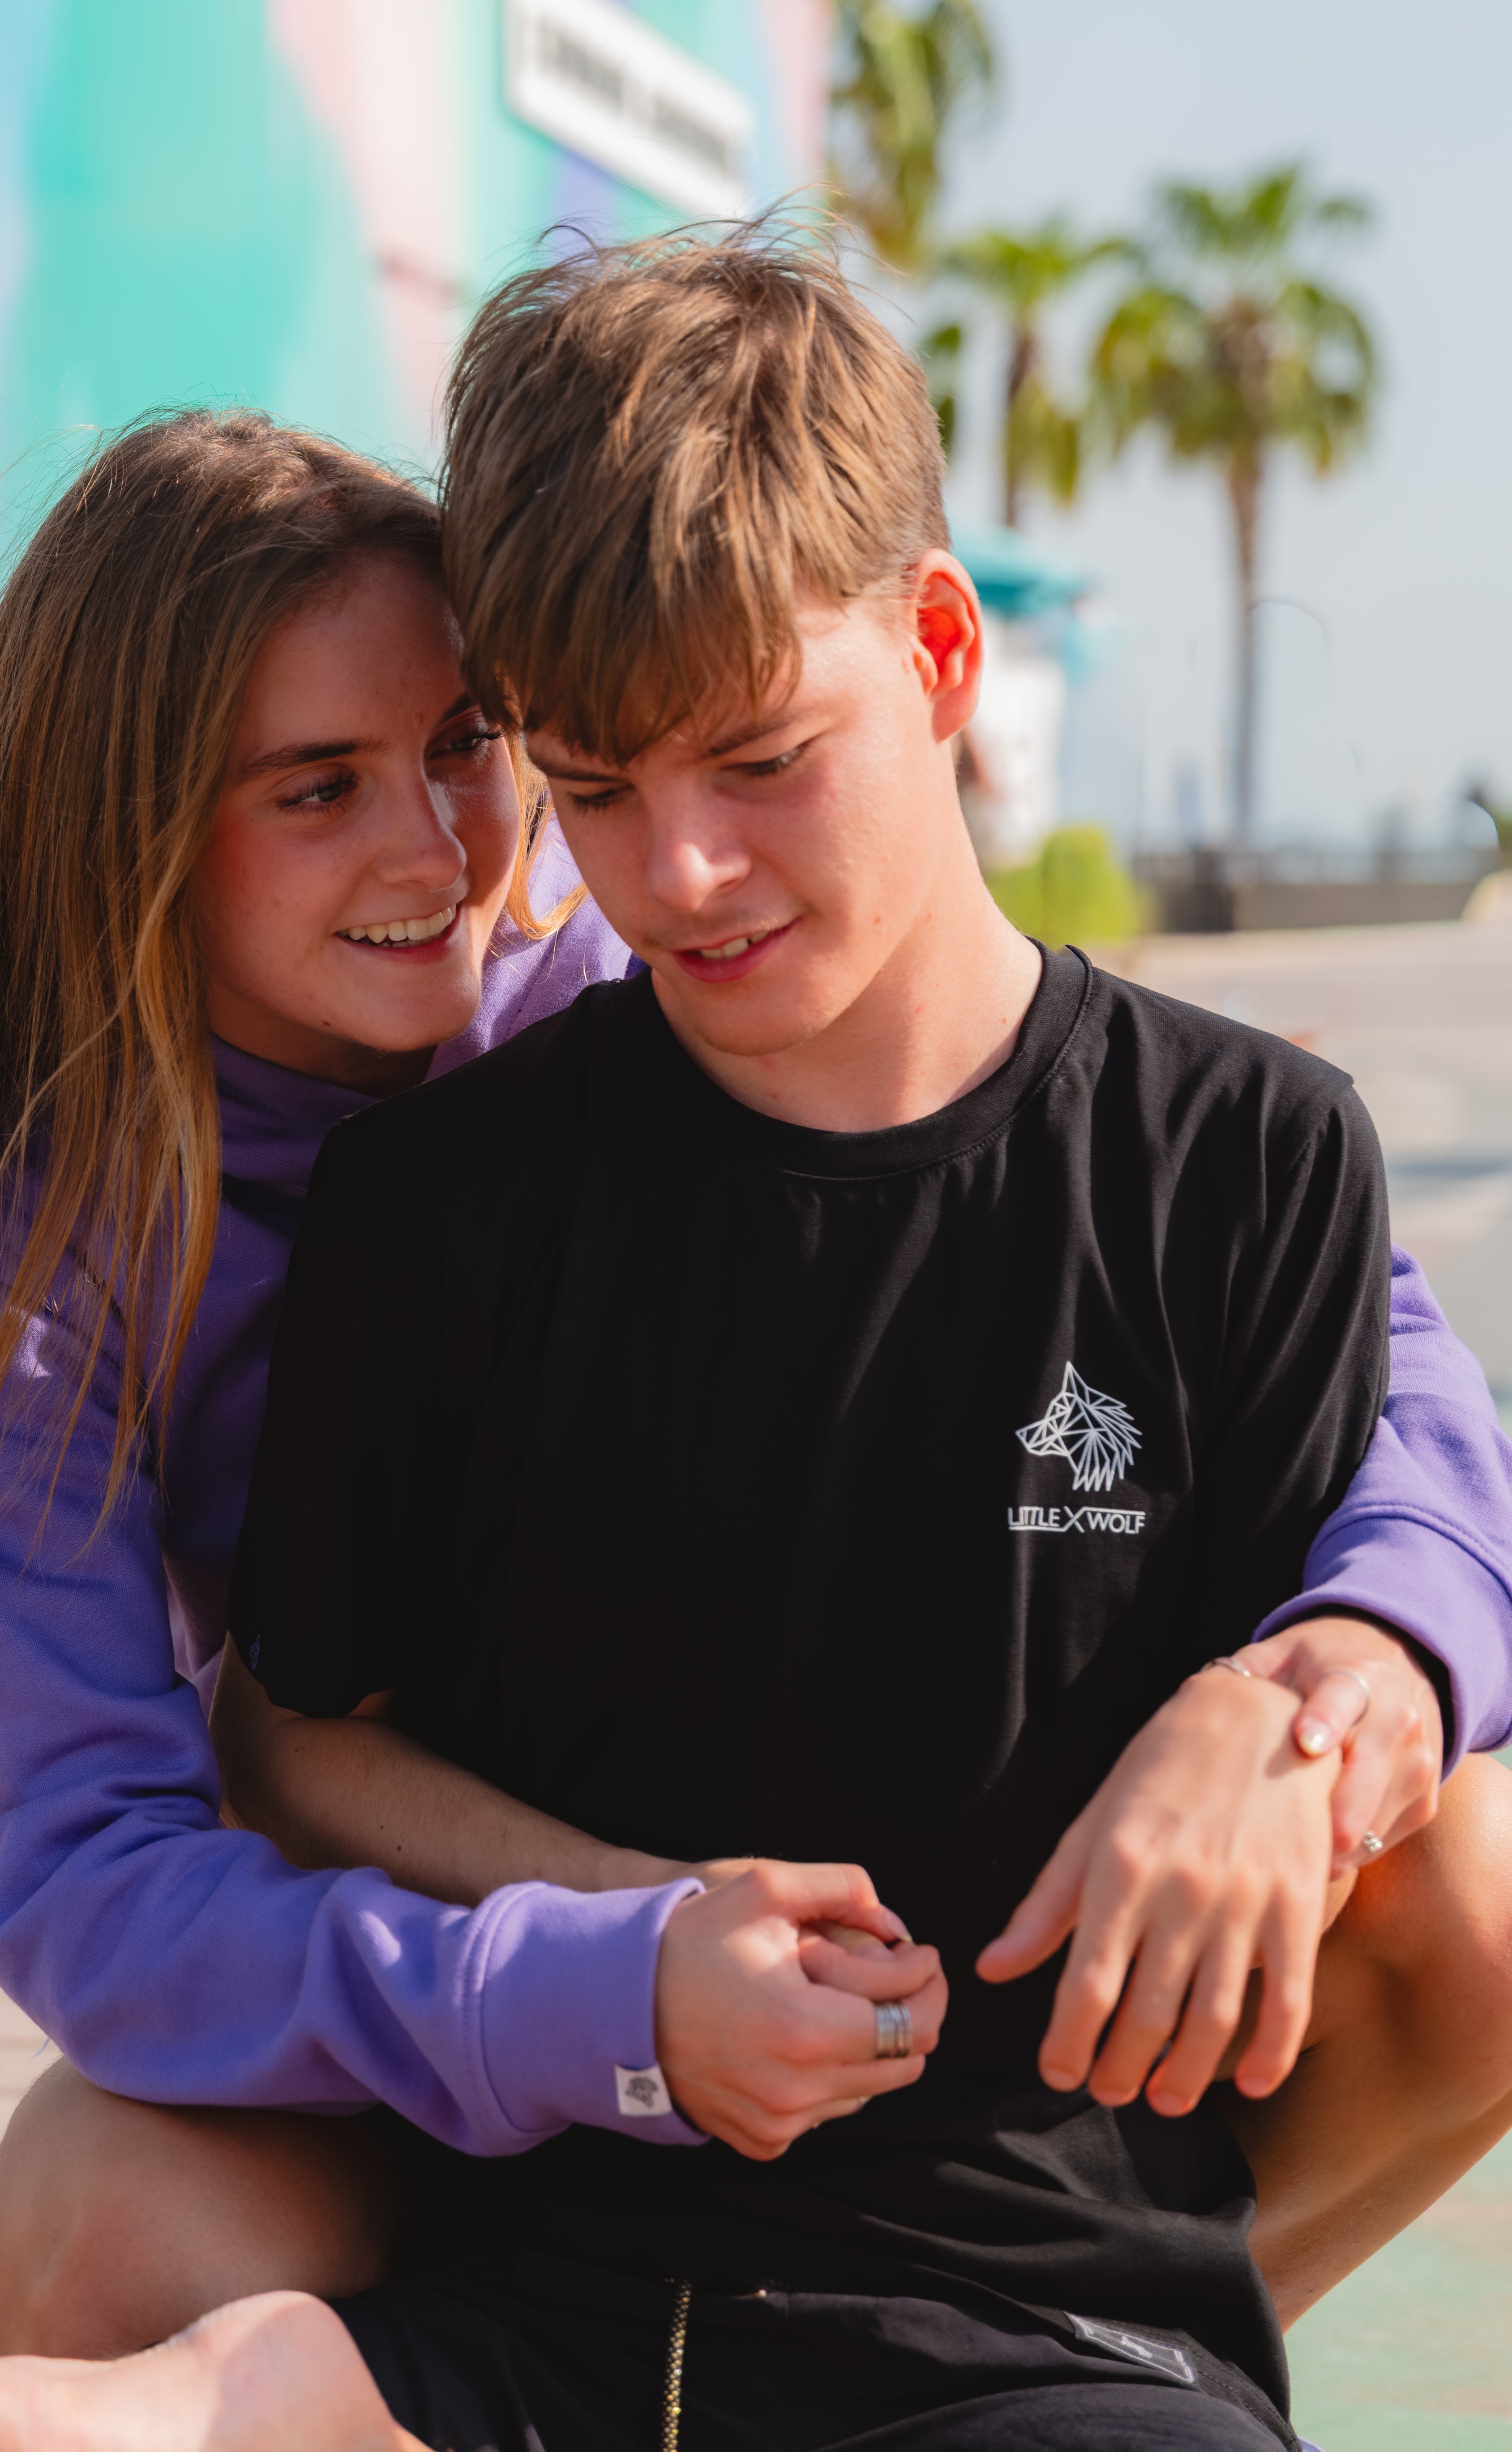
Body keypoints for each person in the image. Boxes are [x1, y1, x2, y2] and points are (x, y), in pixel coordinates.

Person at [0, 387, 1507, 2405]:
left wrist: (1333, 1679)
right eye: (315, 788)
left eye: (470, 747)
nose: (443, 848)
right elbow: (104, 1872)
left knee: (1480, 1889)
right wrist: (608, 1979)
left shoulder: (622, 971)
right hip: (408, 2004)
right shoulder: (35, 1275)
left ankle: (1048, 2369)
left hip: (876, 2057)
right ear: (128, 827)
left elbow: (1375, 1358)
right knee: (112, 2217)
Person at [198, 229, 1512, 2449]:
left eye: (758, 758)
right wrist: (645, 1928)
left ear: (934, 647)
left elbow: (1407, 1642)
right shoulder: (447, 1202)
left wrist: (1294, 1712)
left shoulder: (1255, 1161)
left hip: (1054, 2321)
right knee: (108, 2368)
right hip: (527, 2294)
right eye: (594, 789)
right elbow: (297, 1735)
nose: (679, 874)